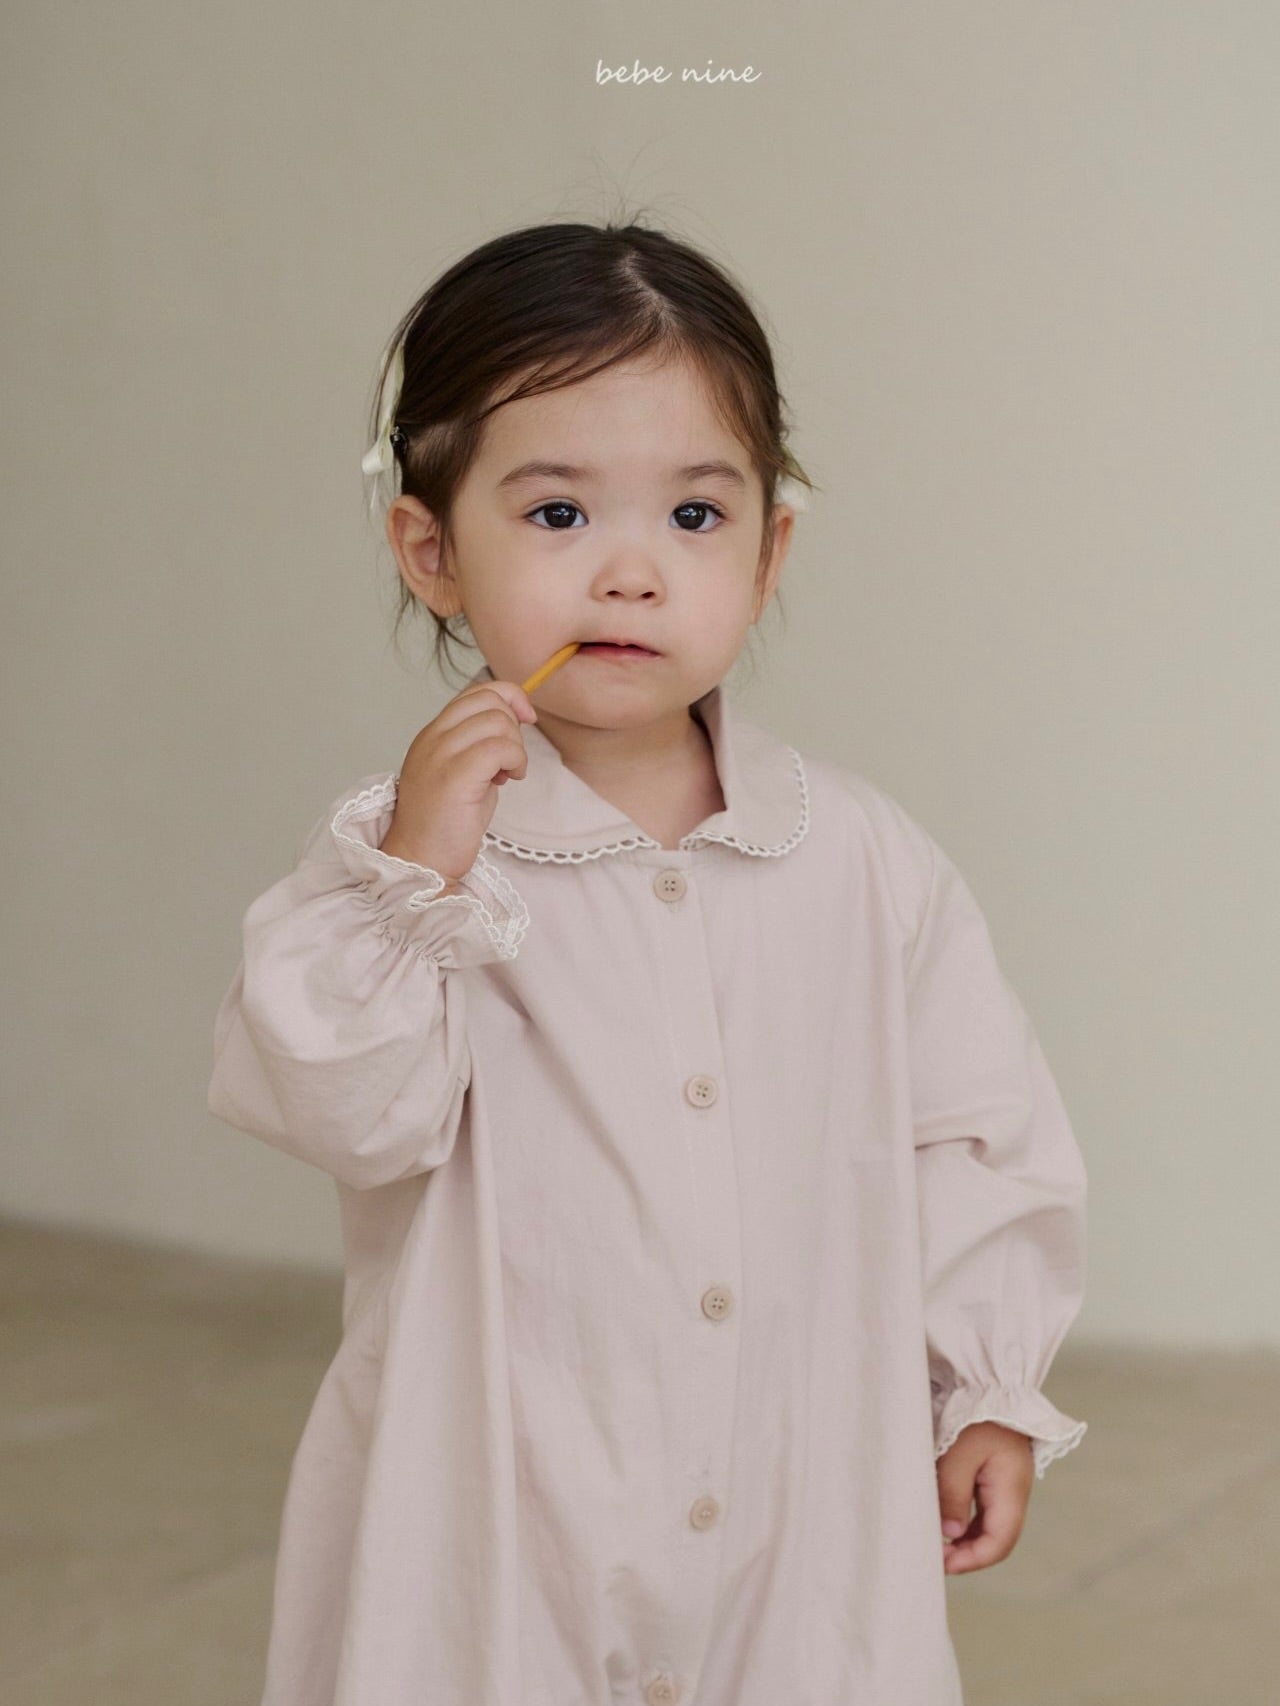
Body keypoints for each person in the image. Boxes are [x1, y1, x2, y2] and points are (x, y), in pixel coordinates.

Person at [207, 215, 1088, 1706]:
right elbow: (337, 1110)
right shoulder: (401, 868)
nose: (631, 573)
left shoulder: (862, 860)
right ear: (432, 551)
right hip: (502, 1518)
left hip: (798, 1509)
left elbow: (978, 1133)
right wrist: (417, 878)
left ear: (769, 551)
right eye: (558, 514)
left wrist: (985, 1388)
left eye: (693, 515)